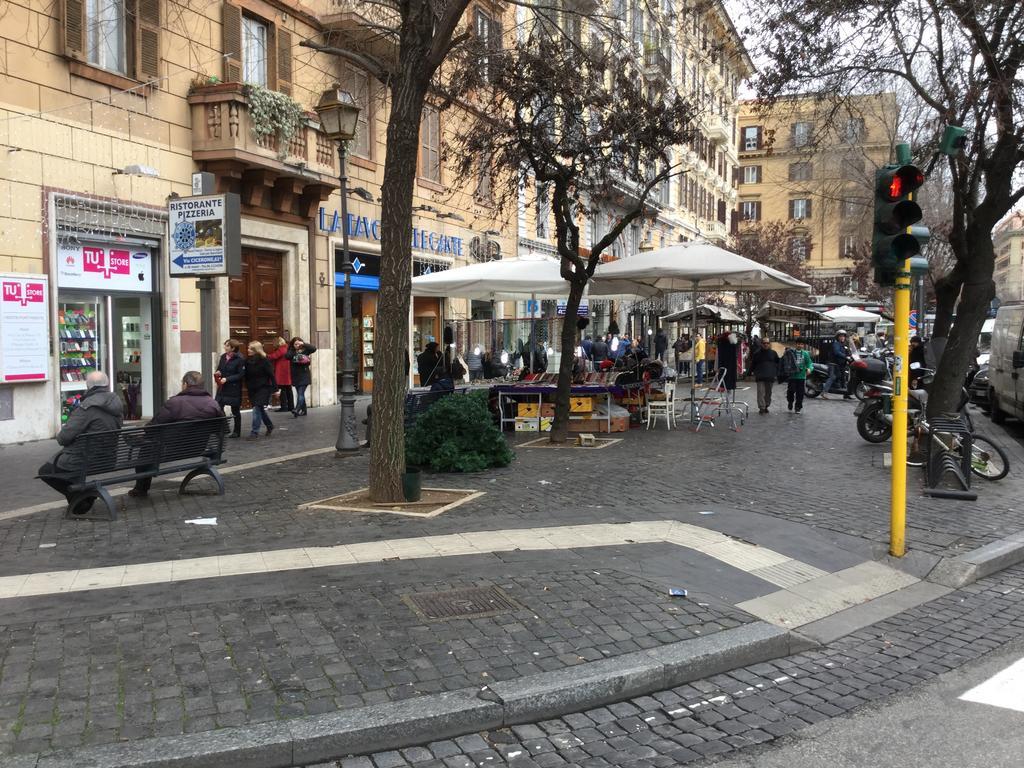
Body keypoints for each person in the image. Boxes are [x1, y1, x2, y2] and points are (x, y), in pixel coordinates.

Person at [38, 371, 123, 512]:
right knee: (69, 469)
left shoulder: (87, 407)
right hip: (108, 457)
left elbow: (62, 438)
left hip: (84, 458)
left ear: (88, 386)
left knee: (45, 471)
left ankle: (84, 496)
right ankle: (80, 503)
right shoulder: (116, 403)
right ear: (106, 384)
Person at [128, 371, 223, 497]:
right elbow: (222, 429)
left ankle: (141, 488)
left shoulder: (175, 403)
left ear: (185, 384)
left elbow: (153, 426)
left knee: (146, 449)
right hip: (197, 448)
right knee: (149, 446)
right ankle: (141, 488)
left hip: (171, 450)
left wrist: (144, 435)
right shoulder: (213, 403)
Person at [244, 341, 275, 439]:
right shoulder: (247, 361)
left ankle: (254, 432)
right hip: (252, 388)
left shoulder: (264, 360)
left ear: (255, 350)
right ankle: (269, 425)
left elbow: (271, 375)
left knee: (256, 408)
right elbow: (245, 375)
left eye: (250, 348)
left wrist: (276, 389)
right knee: (260, 409)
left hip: (263, 388)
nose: (247, 350)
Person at [215, 339, 245, 437]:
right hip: (222, 387)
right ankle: (225, 428)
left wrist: (227, 379)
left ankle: (237, 431)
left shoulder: (240, 359)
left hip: (233, 388)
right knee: (218, 407)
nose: (225, 347)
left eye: (227, 346)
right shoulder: (223, 357)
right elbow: (220, 368)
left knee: (235, 410)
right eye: (225, 345)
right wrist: (218, 372)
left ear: (233, 348)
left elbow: (241, 374)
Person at [286, 336, 316, 416]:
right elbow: (287, 356)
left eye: (298, 343)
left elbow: (314, 348)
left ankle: (297, 409)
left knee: (300, 393)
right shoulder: (291, 351)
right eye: (295, 344)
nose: (297, 345)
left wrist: (303, 344)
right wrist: (294, 350)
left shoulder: (305, 350)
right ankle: (304, 410)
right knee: (300, 393)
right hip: (295, 376)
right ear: (292, 345)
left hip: (304, 375)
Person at [783, 339, 815, 413]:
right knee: (790, 391)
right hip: (792, 376)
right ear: (795, 344)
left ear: (803, 345)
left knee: (800, 393)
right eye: (798, 344)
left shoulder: (805, 354)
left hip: (801, 377)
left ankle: (798, 407)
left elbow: (809, 363)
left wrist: (810, 369)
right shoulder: (791, 353)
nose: (799, 345)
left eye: (801, 344)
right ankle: (790, 402)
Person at [750, 338, 780, 414]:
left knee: (768, 393)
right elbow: (753, 364)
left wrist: (776, 373)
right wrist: (749, 373)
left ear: (769, 344)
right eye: (764, 343)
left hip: (770, 376)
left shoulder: (774, 353)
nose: (766, 344)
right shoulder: (757, 353)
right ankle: (762, 407)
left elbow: (778, 363)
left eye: (767, 343)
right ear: (761, 344)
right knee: (760, 392)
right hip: (760, 376)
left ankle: (766, 405)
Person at [822, 330, 853, 400]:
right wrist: (846, 356)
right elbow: (837, 352)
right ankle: (824, 392)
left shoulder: (844, 345)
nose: (842, 338)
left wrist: (852, 355)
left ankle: (846, 394)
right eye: (840, 336)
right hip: (832, 363)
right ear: (837, 337)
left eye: (843, 336)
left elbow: (848, 352)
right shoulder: (836, 344)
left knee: (843, 378)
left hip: (840, 364)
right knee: (832, 377)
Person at [268, 337, 293, 413]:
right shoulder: (287, 348)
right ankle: (291, 406)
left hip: (282, 372)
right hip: (287, 371)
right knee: (288, 390)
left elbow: (273, 356)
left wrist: (263, 355)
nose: (273, 344)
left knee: (282, 390)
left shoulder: (282, 349)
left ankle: (284, 406)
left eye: (274, 343)